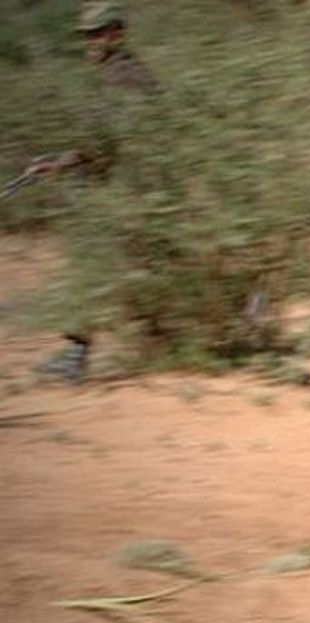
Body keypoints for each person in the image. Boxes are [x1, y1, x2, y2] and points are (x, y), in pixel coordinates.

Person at [31, 1, 157, 384]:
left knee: (92, 263)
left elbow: (109, 141)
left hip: (117, 188)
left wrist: (60, 164)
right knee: (102, 265)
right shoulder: (114, 73)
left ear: (118, 32)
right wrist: (59, 160)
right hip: (110, 184)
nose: (91, 41)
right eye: (87, 34)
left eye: (99, 33)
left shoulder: (124, 75)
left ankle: (76, 356)